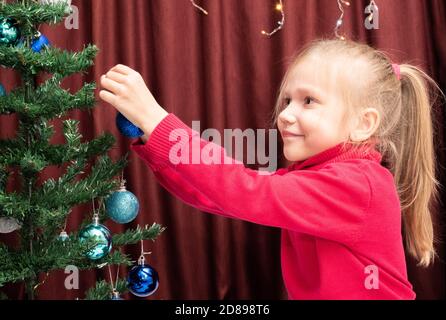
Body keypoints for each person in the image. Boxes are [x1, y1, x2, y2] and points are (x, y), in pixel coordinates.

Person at [99, 39, 443, 299]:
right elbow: (218, 196)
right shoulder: (314, 180)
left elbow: (243, 190)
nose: (286, 114)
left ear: (363, 124)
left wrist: (159, 122)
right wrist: (154, 138)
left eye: (308, 101)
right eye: (287, 100)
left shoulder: (359, 184)